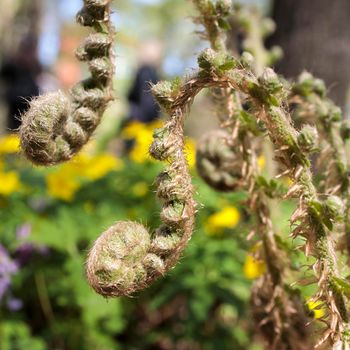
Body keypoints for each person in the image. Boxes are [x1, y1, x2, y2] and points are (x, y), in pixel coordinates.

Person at [0, 36, 41, 132]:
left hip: (29, 102)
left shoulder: (35, 65)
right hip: (15, 102)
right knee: (13, 128)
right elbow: (4, 75)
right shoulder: (13, 63)